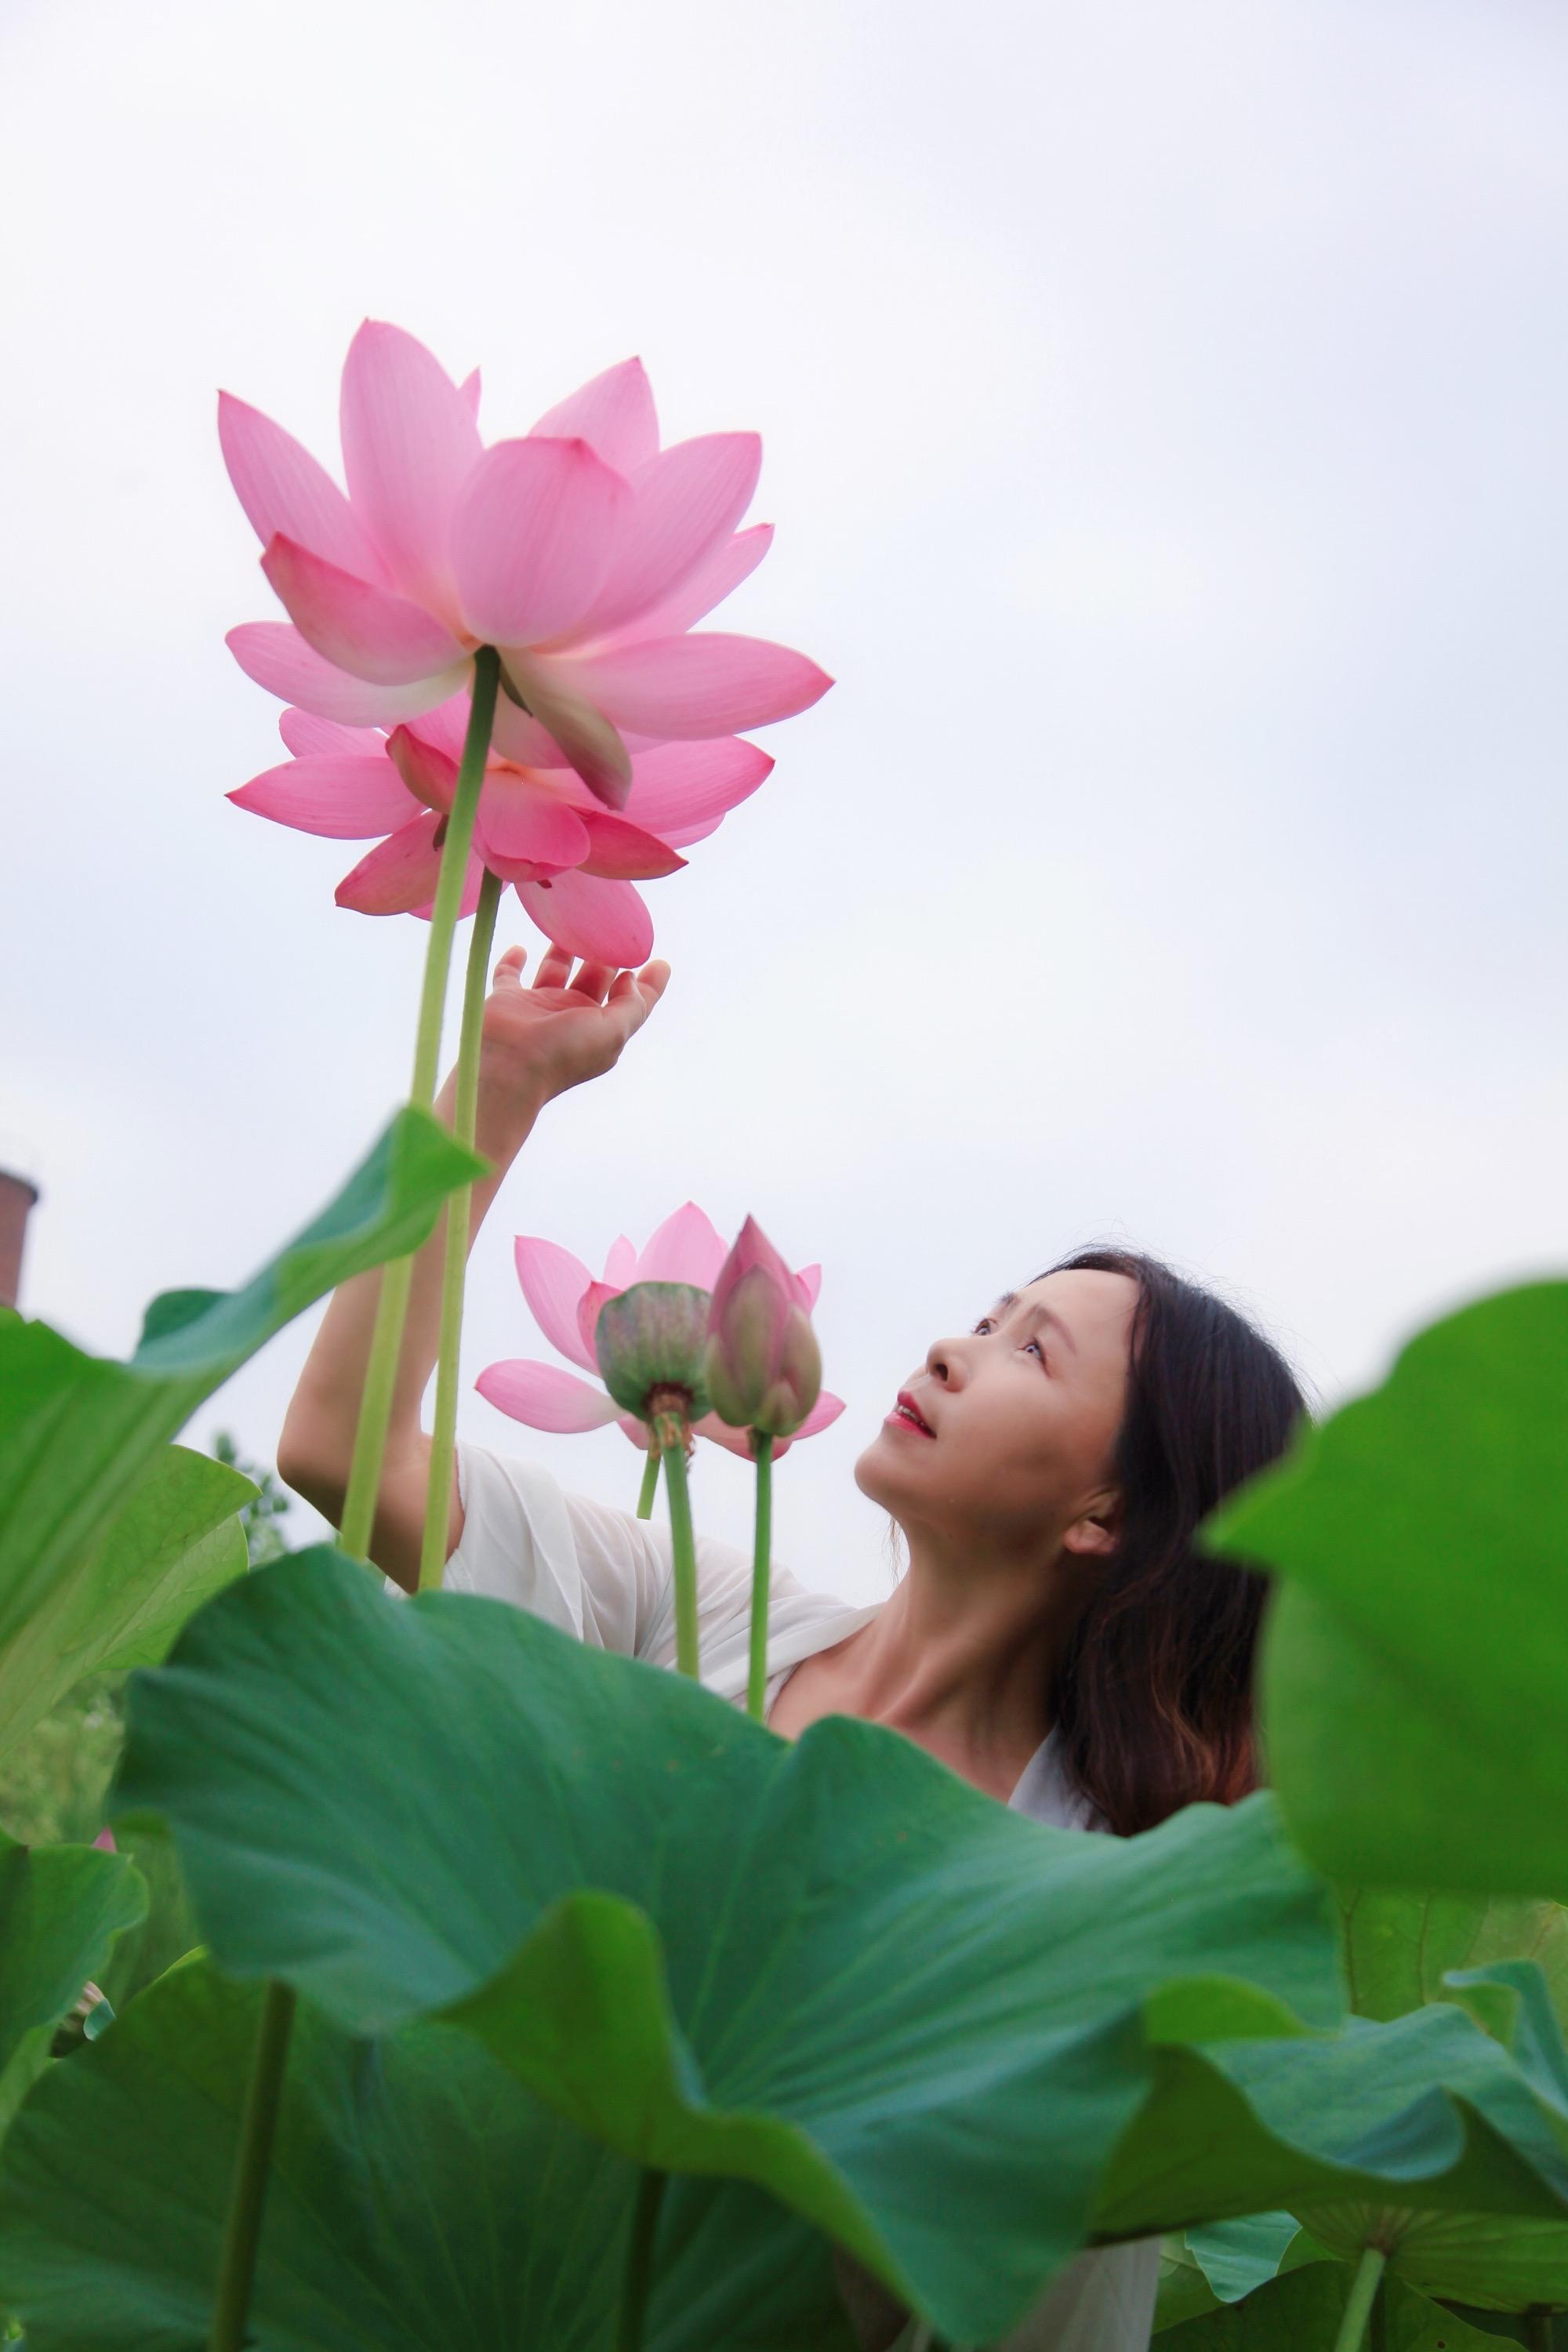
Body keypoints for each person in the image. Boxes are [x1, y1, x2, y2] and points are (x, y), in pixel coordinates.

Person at [278, 942, 1308, 2352]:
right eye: (991, 1314)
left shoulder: (1090, 1905)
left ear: (1109, 1511)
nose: (955, 1346)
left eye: (1032, 1353)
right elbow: (341, 1451)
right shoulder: (696, 1617)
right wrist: (498, 1089)